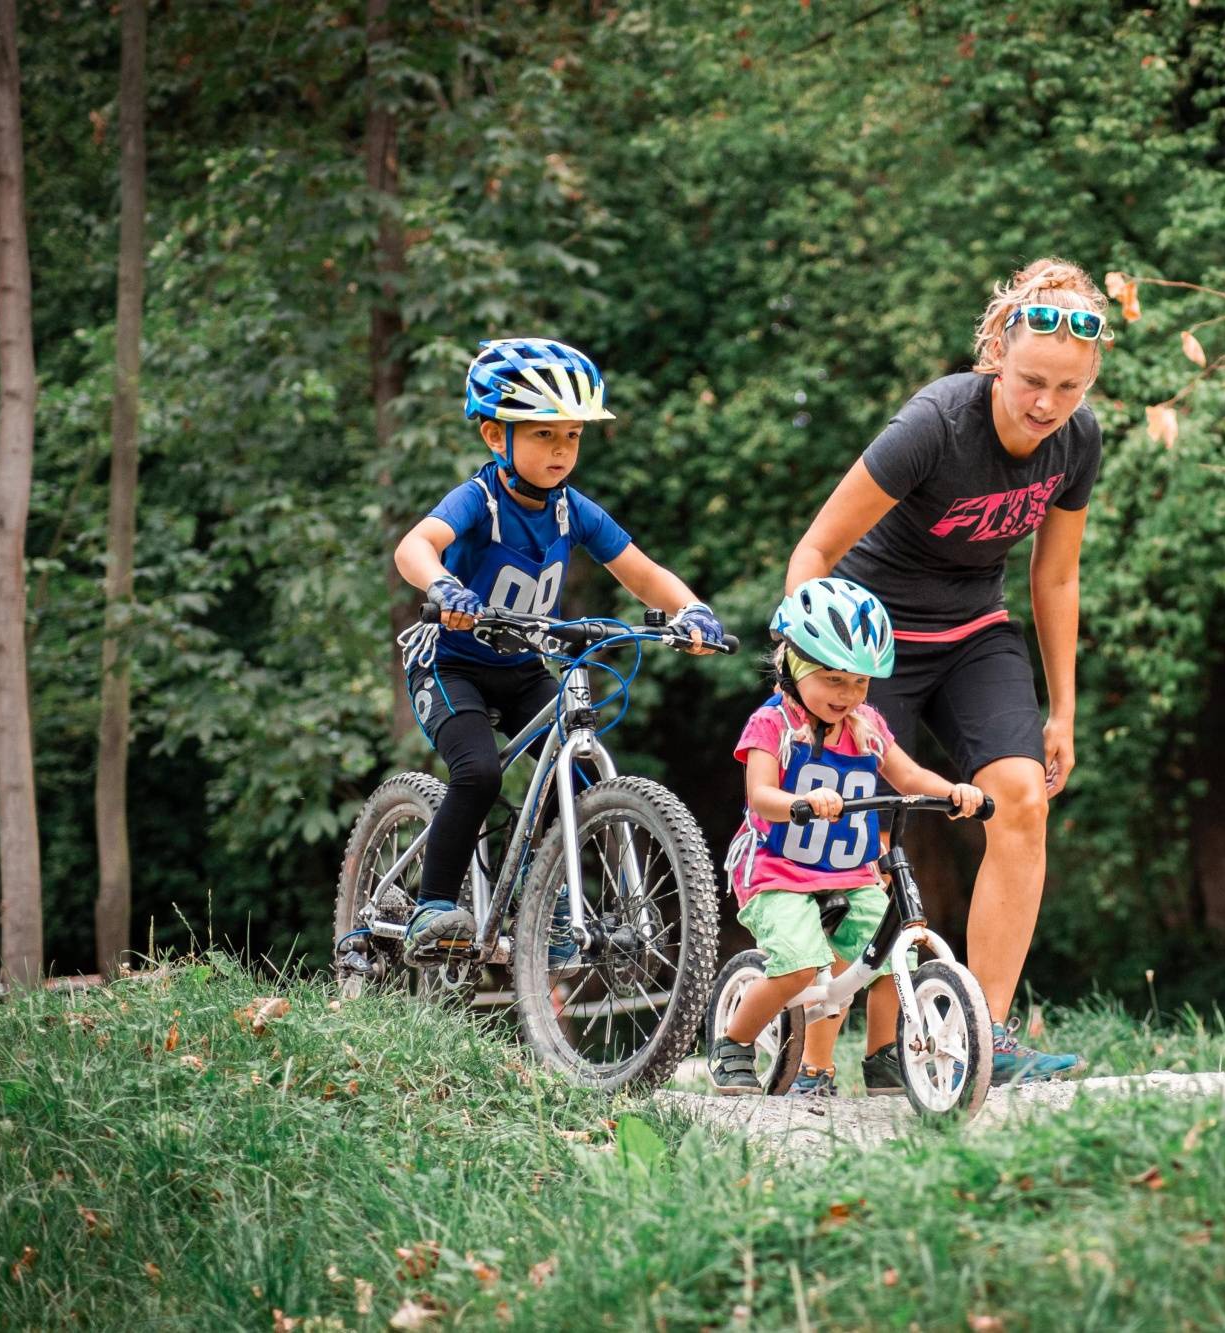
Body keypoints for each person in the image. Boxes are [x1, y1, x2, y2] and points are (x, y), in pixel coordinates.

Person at [784, 257, 1109, 1082]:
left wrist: (1063, 710)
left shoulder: (1077, 441)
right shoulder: (936, 423)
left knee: (1022, 799)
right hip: (870, 645)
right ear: (998, 353)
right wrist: (808, 672)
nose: (1047, 405)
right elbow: (815, 551)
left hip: (972, 632)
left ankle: (980, 1036)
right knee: (859, 834)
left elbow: (1056, 577)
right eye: (1032, 381)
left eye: (1068, 389)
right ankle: (818, 1057)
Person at [382, 337, 727, 959]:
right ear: (496, 436)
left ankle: (551, 905)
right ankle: (432, 905)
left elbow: (643, 573)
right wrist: (444, 587)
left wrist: (692, 612)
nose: (562, 450)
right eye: (543, 434)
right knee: (479, 773)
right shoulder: (480, 500)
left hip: (521, 667)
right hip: (451, 665)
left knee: (573, 771)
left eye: (572, 436)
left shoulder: (573, 511)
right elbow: (415, 546)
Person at [710, 578, 984, 1099]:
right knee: (799, 967)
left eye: (860, 682)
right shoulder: (772, 725)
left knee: (892, 956)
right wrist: (802, 802)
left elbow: (908, 776)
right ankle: (735, 1041)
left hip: (850, 872)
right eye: (833, 679)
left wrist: (953, 792)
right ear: (793, 667)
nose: (848, 695)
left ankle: (883, 1058)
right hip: (777, 871)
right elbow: (761, 796)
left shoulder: (867, 726)